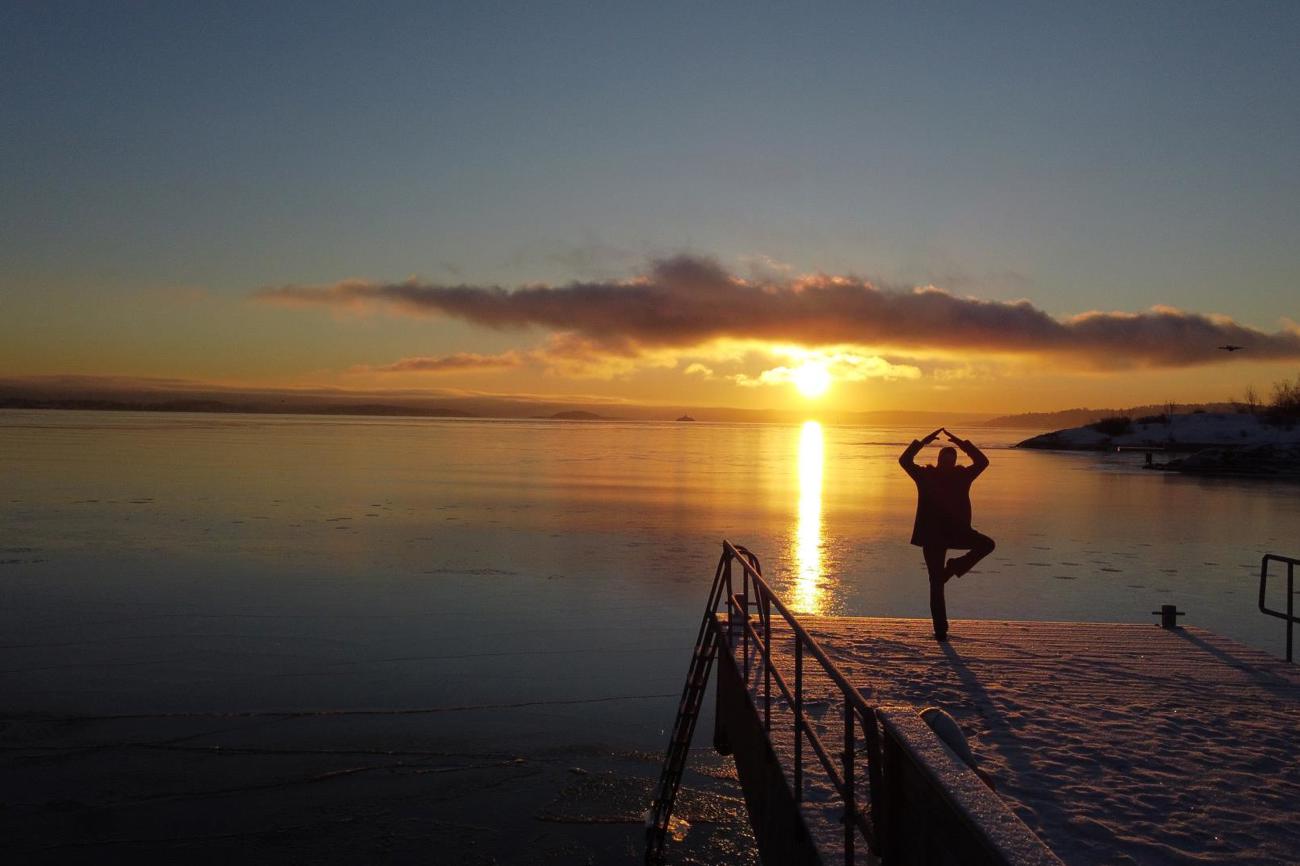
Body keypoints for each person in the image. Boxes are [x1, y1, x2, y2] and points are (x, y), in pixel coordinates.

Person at [899, 428, 996, 640]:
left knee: (987, 544)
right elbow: (904, 461)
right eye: (945, 459)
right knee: (936, 583)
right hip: (932, 537)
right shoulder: (926, 475)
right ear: (939, 460)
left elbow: (983, 462)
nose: (948, 463)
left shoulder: (961, 476)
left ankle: (954, 566)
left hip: (956, 533)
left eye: (951, 460)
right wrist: (922, 442)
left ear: (954, 462)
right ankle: (940, 630)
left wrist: (962, 444)